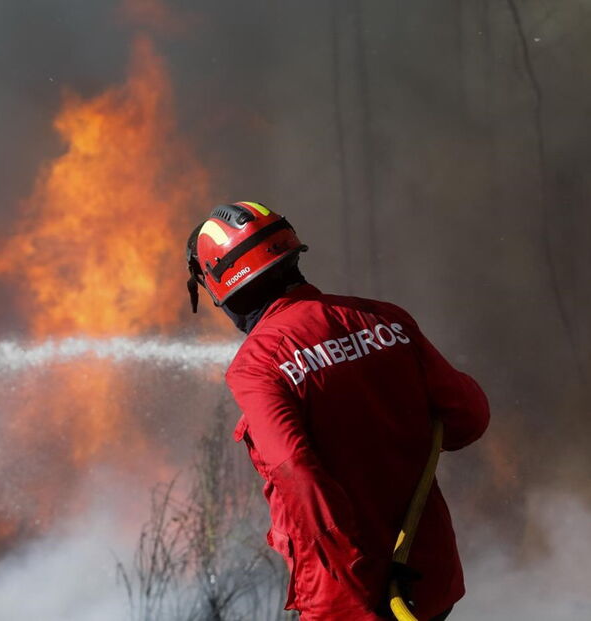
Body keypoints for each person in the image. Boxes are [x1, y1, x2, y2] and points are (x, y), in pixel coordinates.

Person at [186, 201, 490, 621]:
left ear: (224, 287)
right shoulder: (384, 319)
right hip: (427, 577)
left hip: (350, 597)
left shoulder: (257, 364)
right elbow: (468, 418)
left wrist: (358, 576)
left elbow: (295, 472)